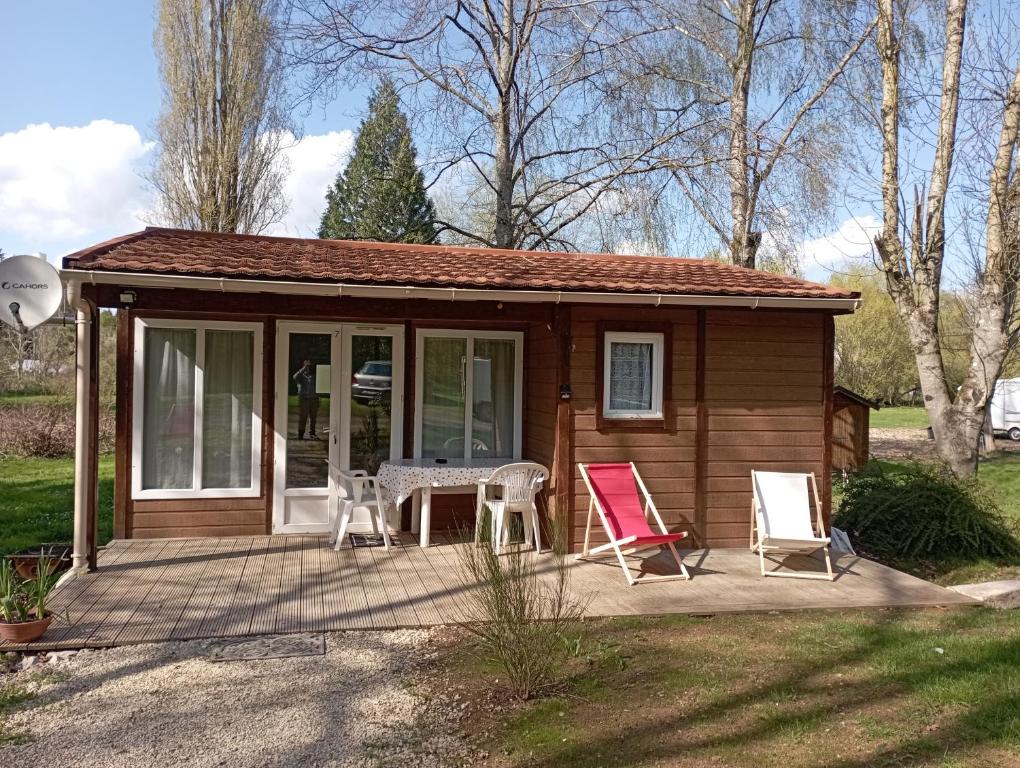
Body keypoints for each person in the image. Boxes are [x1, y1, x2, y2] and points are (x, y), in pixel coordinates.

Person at [293, 359, 320, 440]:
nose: (308, 367)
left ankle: (312, 433)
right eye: (306, 366)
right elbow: (295, 377)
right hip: (304, 399)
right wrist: (303, 369)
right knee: (303, 417)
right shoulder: (301, 376)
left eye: (309, 366)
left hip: (314, 399)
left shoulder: (315, 375)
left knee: (313, 418)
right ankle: (301, 434)